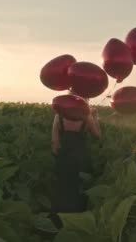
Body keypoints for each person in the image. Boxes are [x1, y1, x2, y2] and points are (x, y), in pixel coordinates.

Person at [49, 97, 101, 228]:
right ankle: (77, 223)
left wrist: (59, 157)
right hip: (81, 155)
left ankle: (57, 222)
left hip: (64, 156)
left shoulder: (58, 116)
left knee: (62, 188)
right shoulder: (86, 115)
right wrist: (95, 117)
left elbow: (54, 143)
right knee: (79, 188)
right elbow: (97, 135)